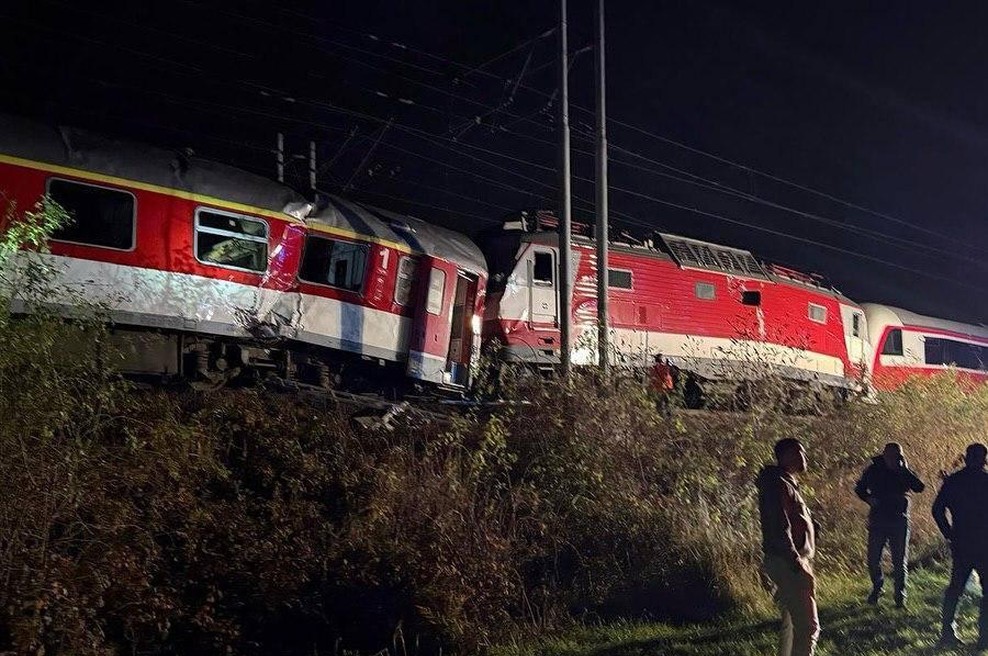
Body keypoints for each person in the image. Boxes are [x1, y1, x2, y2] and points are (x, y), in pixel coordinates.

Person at [757, 438, 820, 656]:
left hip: (791, 560)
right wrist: (795, 561)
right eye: (798, 453)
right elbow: (779, 525)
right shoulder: (778, 484)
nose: (804, 458)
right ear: (784, 457)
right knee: (808, 627)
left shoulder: (785, 482)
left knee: (792, 625)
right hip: (789, 562)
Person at [854, 442, 925, 608]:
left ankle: (900, 595)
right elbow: (859, 489)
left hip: (899, 519)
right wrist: (868, 498)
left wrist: (904, 470)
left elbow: (919, 487)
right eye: (890, 455)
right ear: (884, 455)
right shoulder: (873, 470)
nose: (893, 458)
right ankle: (877, 587)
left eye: (897, 455)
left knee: (899, 561)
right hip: (878, 518)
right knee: (873, 559)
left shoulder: (904, 470)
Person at [933, 443, 988, 650]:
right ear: (984, 459)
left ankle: (947, 632)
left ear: (966, 458)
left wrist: (949, 534)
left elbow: (937, 510)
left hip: (962, 542)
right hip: (985, 545)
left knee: (955, 589)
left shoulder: (954, 481)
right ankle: (984, 637)